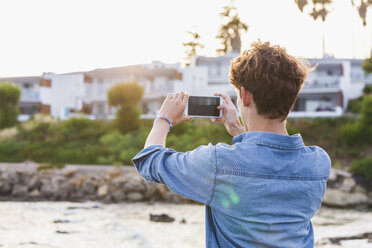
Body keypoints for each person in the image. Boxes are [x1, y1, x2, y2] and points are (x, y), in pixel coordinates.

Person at [132, 41, 331, 248]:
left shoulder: (219, 164)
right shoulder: (318, 164)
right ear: (292, 97)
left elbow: (149, 161)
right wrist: (236, 129)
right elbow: (265, 164)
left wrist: (163, 119)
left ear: (244, 96)